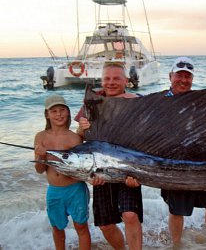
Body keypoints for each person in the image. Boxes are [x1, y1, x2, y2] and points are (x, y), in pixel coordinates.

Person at [161, 57, 206, 247]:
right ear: (170, 76)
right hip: (173, 164)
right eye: (179, 75)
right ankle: (177, 245)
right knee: (176, 210)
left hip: (203, 160)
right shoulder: (159, 102)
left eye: (188, 76)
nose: (183, 80)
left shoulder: (200, 101)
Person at [76, 61, 143, 250]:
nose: (111, 82)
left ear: (126, 81)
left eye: (116, 78)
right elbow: (79, 139)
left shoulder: (136, 101)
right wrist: (82, 129)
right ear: (101, 80)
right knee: (105, 224)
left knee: (130, 215)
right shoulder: (92, 102)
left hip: (129, 168)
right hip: (101, 169)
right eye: (107, 78)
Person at [34, 95, 91, 250]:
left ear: (68, 112)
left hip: (76, 190)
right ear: (47, 114)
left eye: (62, 110)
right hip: (54, 191)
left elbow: (82, 169)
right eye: (54, 111)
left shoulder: (75, 138)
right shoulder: (40, 137)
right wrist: (40, 155)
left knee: (81, 227)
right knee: (57, 229)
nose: (58, 114)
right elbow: (39, 170)